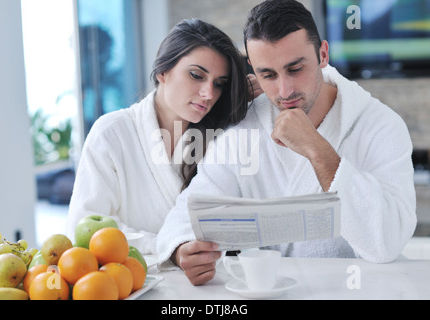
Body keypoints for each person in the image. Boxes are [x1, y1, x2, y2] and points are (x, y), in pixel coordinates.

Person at [156, 0, 417, 285]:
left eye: (295, 69)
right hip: (270, 289)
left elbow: (388, 242)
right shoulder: (245, 125)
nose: (284, 90)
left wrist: (318, 150)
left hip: (356, 288)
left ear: (323, 54)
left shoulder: (380, 126)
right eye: (268, 75)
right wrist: (183, 249)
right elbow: (187, 212)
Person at [66, 18, 251, 254]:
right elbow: (84, 228)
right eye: (196, 75)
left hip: (211, 281)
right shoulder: (112, 133)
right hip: (135, 283)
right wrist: (170, 248)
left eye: (219, 83)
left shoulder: (218, 137)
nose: (208, 94)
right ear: (163, 71)